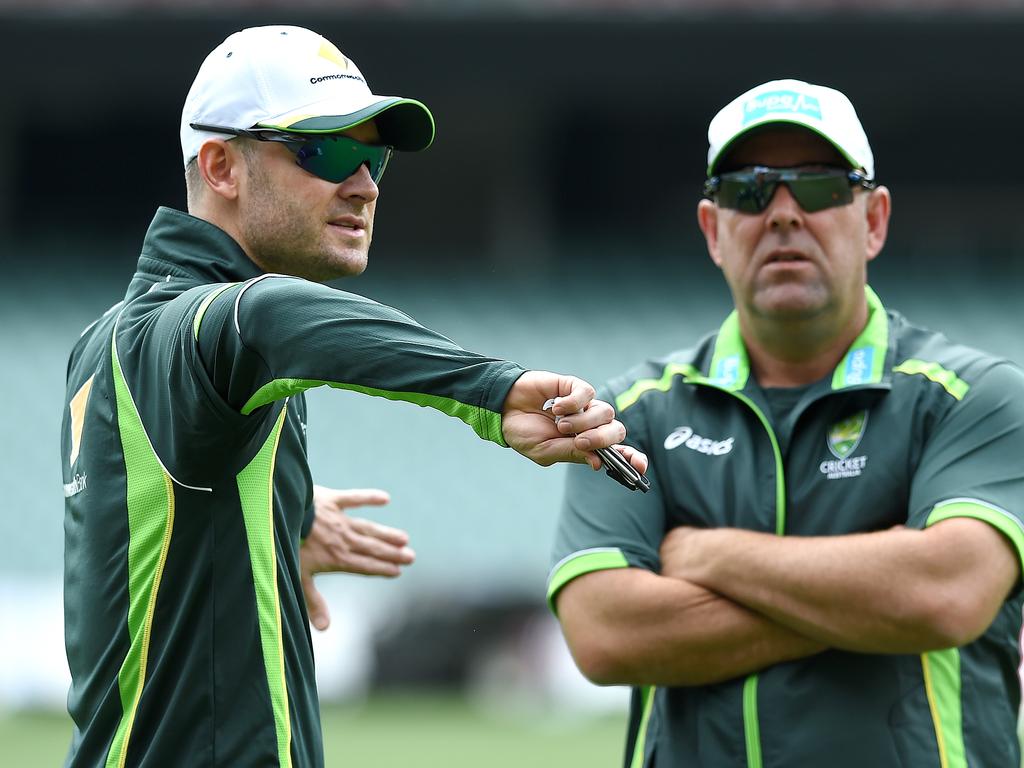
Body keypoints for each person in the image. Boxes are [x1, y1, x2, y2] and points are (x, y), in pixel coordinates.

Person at [59, 25, 646, 768]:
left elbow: (162, 511)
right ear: (220, 166)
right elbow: (268, 317)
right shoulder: (193, 325)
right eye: (327, 152)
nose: (365, 184)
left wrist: (281, 512)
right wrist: (488, 391)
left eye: (373, 157)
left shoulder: (105, 341)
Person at [548, 78, 1024, 767]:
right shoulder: (630, 415)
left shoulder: (975, 397)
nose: (782, 214)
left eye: (821, 186)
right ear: (713, 229)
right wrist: (872, 593)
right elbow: (604, 634)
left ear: (874, 220)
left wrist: (712, 556)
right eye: (749, 190)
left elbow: (945, 594)